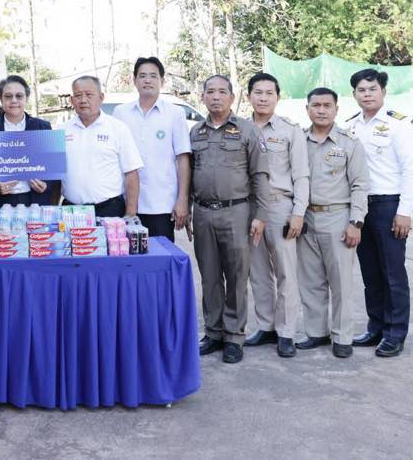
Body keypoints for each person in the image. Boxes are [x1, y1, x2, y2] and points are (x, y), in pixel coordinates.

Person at [188, 75, 268, 364]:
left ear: (232, 98)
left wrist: (260, 215)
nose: (216, 97)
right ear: (203, 97)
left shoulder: (247, 130)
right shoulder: (195, 132)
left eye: (222, 91)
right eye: (210, 91)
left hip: (236, 211)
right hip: (203, 212)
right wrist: (187, 208)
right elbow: (187, 174)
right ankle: (214, 332)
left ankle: (234, 336)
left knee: (236, 276)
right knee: (209, 275)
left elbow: (260, 175)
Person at [346, 68, 413, 358]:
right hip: (361, 206)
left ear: (383, 92)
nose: (367, 94)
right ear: (354, 94)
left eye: (372, 89)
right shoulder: (351, 125)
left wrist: (404, 211)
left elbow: (410, 169)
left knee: (393, 273)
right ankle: (375, 326)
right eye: (361, 90)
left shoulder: (398, 124)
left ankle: (395, 333)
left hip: (389, 205)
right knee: (370, 273)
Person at [297, 88, 369, 359]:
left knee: (341, 283)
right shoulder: (298, 141)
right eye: (315, 105)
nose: (321, 110)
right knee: (310, 280)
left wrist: (356, 222)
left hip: (338, 217)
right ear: (307, 109)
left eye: (327, 105)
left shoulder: (349, 143)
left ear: (336, 109)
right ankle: (316, 332)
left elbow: (360, 184)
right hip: (306, 218)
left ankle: (342, 336)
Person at [243, 73, 309, 357]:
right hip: (248, 207)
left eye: (269, 93)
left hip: (280, 205)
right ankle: (266, 326)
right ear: (249, 96)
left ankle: (286, 332)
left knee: (285, 271)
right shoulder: (240, 128)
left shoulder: (290, 131)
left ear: (278, 97)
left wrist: (298, 212)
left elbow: (302, 175)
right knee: (257, 271)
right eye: (258, 92)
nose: (263, 98)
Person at [111, 57, 191, 240]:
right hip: (126, 202)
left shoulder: (175, 113)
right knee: (125, 253)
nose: (147, 80)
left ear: (162, 81)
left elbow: (183, 158)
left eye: (153, 76)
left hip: (161, 204)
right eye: (142, 76)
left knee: (161, 254)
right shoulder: (120, 113)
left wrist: (182, 200)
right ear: (134, 80)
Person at [60, 76, 142, 218]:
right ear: (72, 101)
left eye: (89, 95)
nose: (83, 100)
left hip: (109, 210)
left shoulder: (118, 128)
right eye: (78, 96)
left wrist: (130, 213)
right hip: (71, 211)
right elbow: (56, 175)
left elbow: (131, 173)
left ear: (101, 97)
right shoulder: (62, 130)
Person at [0, 75, 56, 207]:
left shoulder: (43, 127)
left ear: (26, 98)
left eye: (19, 96)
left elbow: (53, 164)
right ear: (1, 99)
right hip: (1, 201)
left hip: (35, 199)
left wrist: (46, 184)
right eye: (8, 96)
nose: (14, 100)